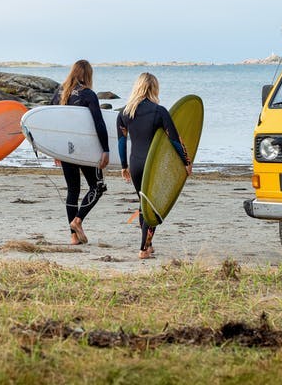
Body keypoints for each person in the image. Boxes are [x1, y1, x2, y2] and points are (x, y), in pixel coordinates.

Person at [117, 72, 191, 259]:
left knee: (144, 205)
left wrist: (124, 166)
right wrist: (186, 162)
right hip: (153, 166)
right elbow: (174, 140)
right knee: (152, 207)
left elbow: (121, 142)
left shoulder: (125, 113)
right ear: (154, 88)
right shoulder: (159, 112)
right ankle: (143, 248)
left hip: (135, 164)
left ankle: (148, 245)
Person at [52, 59, 109, 245]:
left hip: (65, 149)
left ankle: (73, 237)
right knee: (98, 186)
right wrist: (106, 149)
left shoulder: (59, 93)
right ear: (87, 75)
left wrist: (54, 150)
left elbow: (50, 125)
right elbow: (98, 123)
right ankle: (77, 220)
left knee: (73, 190)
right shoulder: (88, 94)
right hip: (84, 149)